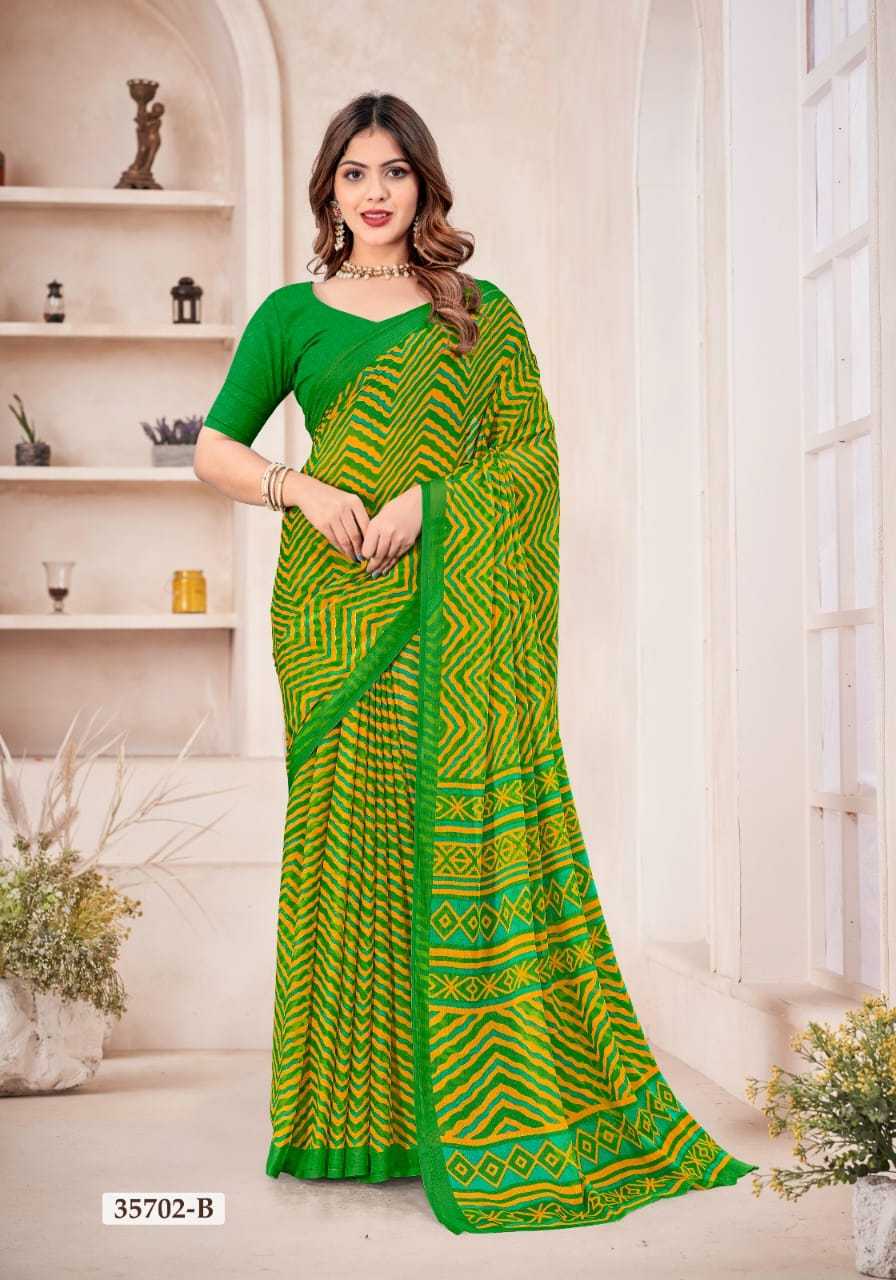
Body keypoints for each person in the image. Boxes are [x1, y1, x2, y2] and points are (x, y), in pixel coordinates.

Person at [195, 91, 757, 1236]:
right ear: (327, 188)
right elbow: (214, 448)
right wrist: (299, 487)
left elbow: (531, 457)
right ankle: (350, 1120)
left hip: (446, 608)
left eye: (395, 171)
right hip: (333, 618)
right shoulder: (290, 316)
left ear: (425, 183)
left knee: (441, 838)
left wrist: (431, 502)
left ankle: (464, 1106)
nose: (375, 192)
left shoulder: (477, 314)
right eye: (355, 172)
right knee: (350, 851)